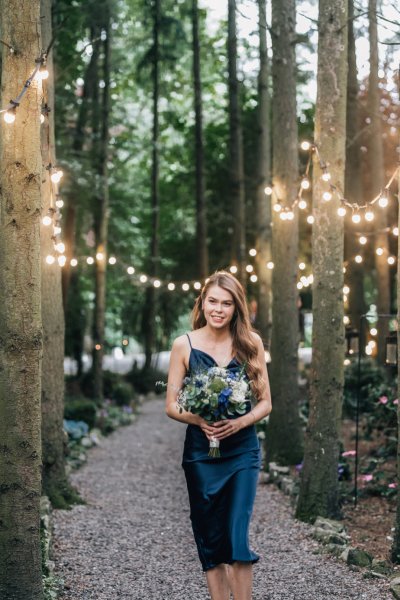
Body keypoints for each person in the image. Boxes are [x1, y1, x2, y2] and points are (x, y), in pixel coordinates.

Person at [166, 271, 272, 600]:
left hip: (242, 452)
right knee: (210, 535)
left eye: (227, 303)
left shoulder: (250, 342)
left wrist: (239, 423)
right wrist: (198, 418)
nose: (219, 309)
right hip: (201, 454)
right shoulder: (183, 344)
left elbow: (266, 402)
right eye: (213, 301)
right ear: (202, 303)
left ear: (236, 308)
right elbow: (170, 405)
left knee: (237, 535)